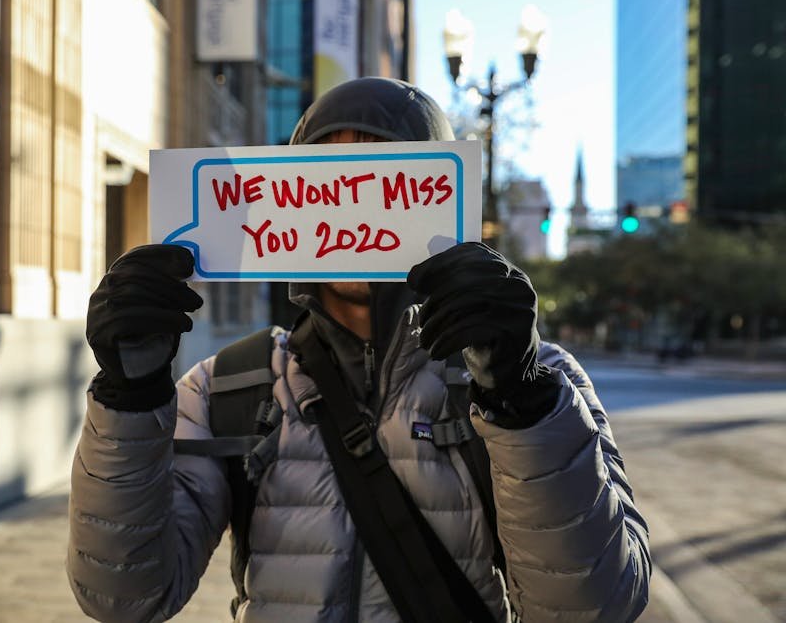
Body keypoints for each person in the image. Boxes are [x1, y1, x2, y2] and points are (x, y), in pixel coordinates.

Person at [68, 77, 650, 622]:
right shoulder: (226, 385)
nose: (349, 206)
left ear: (434, 196)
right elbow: (124, 596)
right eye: (327, 180)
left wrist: (521, 407)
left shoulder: (539, 379)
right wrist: (130, 397)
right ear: (287, 199)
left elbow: (598, 603)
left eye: (379, 180)